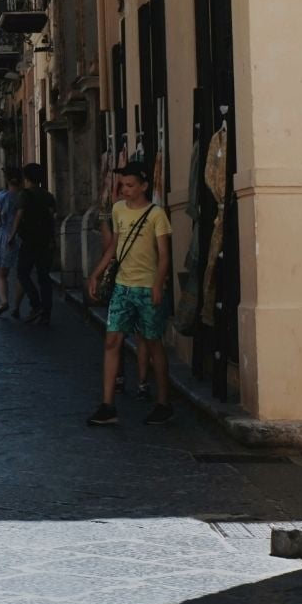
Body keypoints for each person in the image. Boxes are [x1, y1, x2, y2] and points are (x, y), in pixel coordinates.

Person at [85, 161, 174, 427]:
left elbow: (165, 256)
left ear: (144, 186)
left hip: (147, 288)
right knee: (112, 342)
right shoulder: (118, 210)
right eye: (122, 185)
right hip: (122, 287)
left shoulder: (157, 215)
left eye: (130, 185)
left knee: (153, 343)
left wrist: (158, 284)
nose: (124, 189)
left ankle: (163, 402)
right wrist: (96, 273)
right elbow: (114, 246)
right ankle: (107, 405)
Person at [10, 161, 57, 325]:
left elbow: (18, 216)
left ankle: (36, 304)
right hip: (45, 241)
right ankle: (46, 313)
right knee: (44, 278)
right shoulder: (48, 195)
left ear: (26, 178)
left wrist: (11, 236)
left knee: (22, 273)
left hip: (29, 240)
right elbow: (51, 218)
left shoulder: (25, 195)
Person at [0, 169, 24, 316]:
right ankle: (17, 306)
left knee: (1, 272)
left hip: (5, 235)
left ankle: (4, 301)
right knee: (21, 274)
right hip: (23, 236)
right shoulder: (24, 197)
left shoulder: (1, 197)